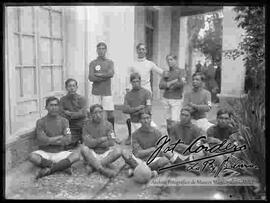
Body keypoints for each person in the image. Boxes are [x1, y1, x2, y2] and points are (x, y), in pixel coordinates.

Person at [28, 97, 80, 179]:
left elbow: (68, 139)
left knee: (76, 156)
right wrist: (60, 137)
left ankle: (49, 169)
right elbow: (42, 140)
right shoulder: (40, 122)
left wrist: (49, 140)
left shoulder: (64, 121)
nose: (54, 108)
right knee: (32, 156)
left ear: (59, 107)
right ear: (46, 107)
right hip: (45, 153)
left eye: (56, 105)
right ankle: (62, 167)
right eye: (51, 105)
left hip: (60, 153)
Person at [121, 112, 171, 178]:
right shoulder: (135, 134)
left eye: (148, 118)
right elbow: (137, 154)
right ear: (140, 121)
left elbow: (158, 151)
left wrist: (148, 153)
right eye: (143, 119)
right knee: (124, 152)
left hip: (152, 160)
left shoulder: (157, 132)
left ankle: (136, 170)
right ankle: (151, 172)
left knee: (166, 161)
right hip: (139, 160)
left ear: (151, 119)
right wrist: (151, 149)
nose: (146, 121)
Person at [80, 104, 122, 178]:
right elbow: (87, 143)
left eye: (100, 112)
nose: (98, 115)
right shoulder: (86, 125)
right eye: (95, 113)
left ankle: (93, 166)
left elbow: (112, 142)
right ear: (91, 114)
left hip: (105, 153)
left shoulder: (109, 125)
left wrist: (94, 142)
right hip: (92, 153)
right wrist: (102, 139)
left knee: (118, 151)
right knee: (84, 149)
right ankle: (102, 169)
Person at [123, 72, 157, 145]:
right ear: (131, 82)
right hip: (134, 122)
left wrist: (133, 111)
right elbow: (125, 109)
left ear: (140, 81)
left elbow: (148, 108)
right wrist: (137, 108)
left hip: (145, 121)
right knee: (137, 144)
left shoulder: (147, 93)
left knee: (156, 131)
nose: (136, 83)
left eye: (137, 81)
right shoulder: (128, 95)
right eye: (134, 82)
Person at [88, 42, 115, 130]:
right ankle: (94, 131)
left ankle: (112, 133)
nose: (101, 50)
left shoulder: (109, 62)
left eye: (103, 48)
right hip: (96, 92)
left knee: (110, 113)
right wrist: (105, 76)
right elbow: (91, 77)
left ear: (106, 50)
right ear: (97, 50)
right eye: (99, 49)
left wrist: (99, 75)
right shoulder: (93, 63)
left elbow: (111, 74)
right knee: (94, 112)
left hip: (107, 92)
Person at [159, 54, 186, 135]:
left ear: (175, 60)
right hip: (166, 98)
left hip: (176, 99)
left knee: (175, 120)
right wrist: (172, 82)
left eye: (171, 59)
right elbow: (161, 85)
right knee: (168, 120)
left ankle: (176, 138)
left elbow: (181, 83)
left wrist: (168, 85)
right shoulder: (166, 73)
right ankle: (170, 138)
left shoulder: (181, 71)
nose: (169, 61)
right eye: (168, 60)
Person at [60, 78, 87, 148]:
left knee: (88, 144)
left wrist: (69, 113)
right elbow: (62, 114)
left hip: (82, 125)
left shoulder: (82, 99)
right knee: (66, 144)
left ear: (76, 87)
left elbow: (83, 113)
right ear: (66, 88)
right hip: (71, 126)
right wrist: (76, 114)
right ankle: (76, 140)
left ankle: (81, 139)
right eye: (69, 86)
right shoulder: (62, 100)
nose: (72, 88)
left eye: (73, 86)